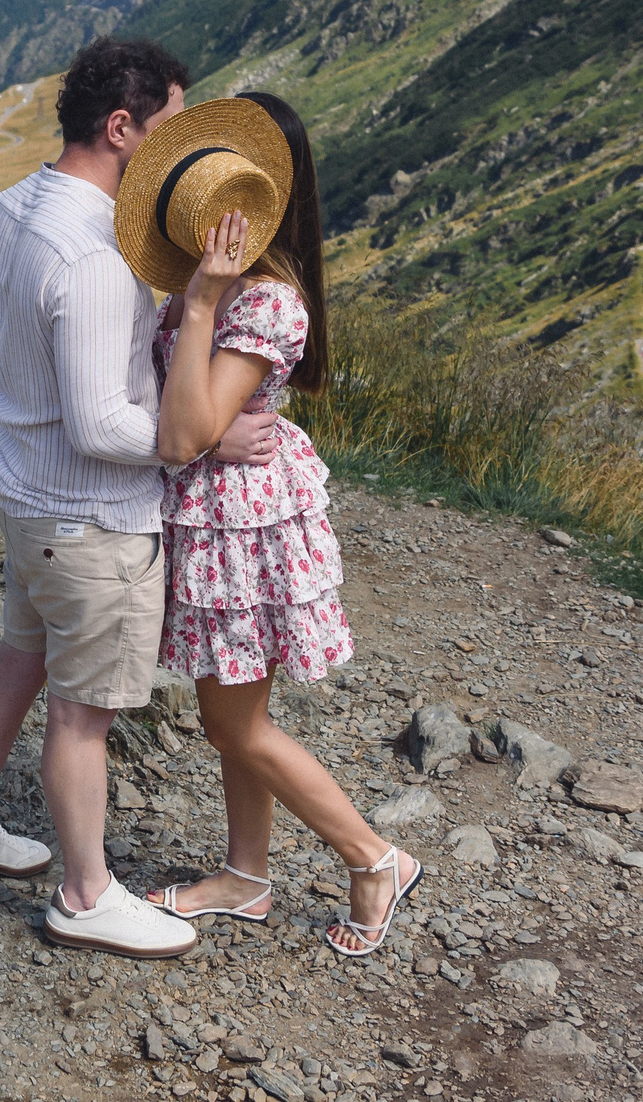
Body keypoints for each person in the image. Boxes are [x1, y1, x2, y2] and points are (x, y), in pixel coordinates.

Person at [0, 37, 278, 960]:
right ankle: (85, 893)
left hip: (28, 497)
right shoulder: (94, 258)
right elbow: (98, 423)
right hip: (92, 518)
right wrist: (192, 437)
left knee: (19, 656)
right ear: (121, 129)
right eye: (168, 128)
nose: (182, 152)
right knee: (84, 714)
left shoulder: (12, 207)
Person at [115, 90, 422, 960]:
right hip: (220, 512)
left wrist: (205, 308)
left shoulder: (261, 302)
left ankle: (373, 857)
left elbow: (185, 431)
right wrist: (211, 420)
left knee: (235, 723)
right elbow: (195, 421)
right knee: (231, 701)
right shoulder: (213, 284)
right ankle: (246, 873)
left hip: (238, 528)